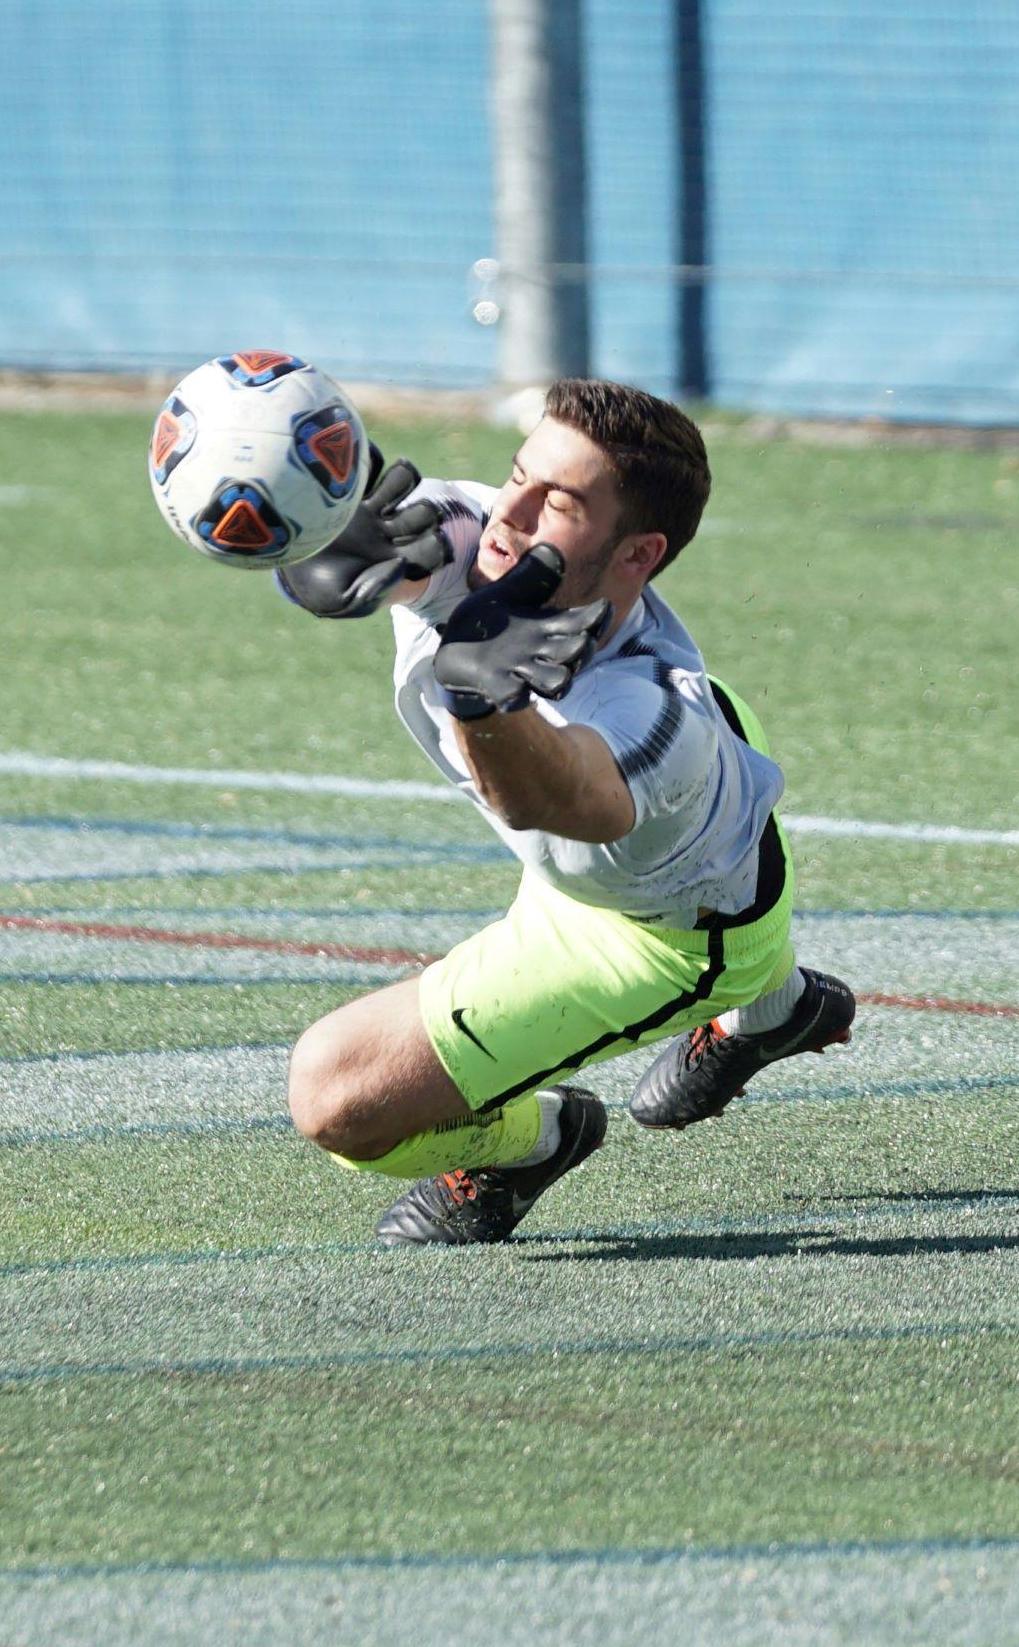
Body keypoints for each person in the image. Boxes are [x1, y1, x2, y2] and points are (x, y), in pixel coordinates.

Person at [272, 378, 856, 1246]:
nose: (512, 511)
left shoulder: (656, 721)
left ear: (638, 555)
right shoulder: (492, 532)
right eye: (518, 473)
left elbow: (560, 802)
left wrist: (484, 703)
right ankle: (781, 1010)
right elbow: (415, 536)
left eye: (561, 504)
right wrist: (315, 545)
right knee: (716, 867)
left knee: (335, 1097)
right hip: (701, 827)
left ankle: (534, 1141)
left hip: (654, 928)